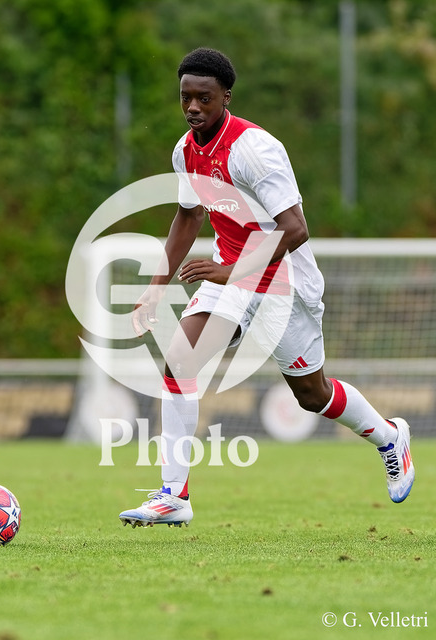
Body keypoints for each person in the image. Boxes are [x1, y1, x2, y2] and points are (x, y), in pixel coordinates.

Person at [119, 47, 414, 528]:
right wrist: (156, 287)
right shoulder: (184, 150)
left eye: (204, 98)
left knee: (313, 395)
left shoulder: (255, 150)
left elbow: (295, 229)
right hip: (231, 278)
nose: (192, 107)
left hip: (284, 282)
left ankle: (388, 437)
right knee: (180, 359)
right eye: (186, 97)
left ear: (226, 97)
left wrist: (231, 271)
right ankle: (174, 496)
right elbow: (189, 216)